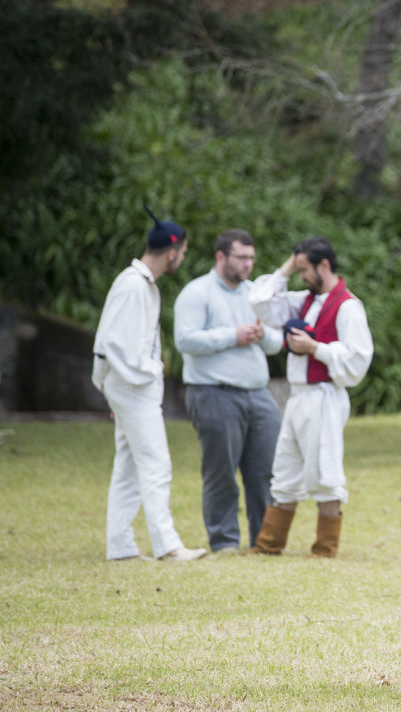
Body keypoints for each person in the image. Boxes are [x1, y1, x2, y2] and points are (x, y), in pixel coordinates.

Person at [91, 206, 207, 562]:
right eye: (183, 253)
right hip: (134, 387)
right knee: (156, 464)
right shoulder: (132, 286)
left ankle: (121, 546)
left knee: (128, 466)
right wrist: (148, 371)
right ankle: (167, 545)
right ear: (172, 251)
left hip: (131, 388)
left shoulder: (141, 285)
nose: (182, 260)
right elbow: (111, 344)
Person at [247, 236, 374, 558]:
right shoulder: (304, 299)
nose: (300, 276)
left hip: (324, 397)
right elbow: (259, 301)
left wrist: (316, 348)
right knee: (285, 467)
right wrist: (289, 265)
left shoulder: (347, 306)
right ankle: (268, 544)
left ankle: (325, 548)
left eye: (304, 269)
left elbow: (359, 359)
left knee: (324, 471)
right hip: (298, 396)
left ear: (325, 265)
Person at [174, 229, 283, 554]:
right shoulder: (197, 293)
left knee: (264, 471)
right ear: (221, 256)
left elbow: (278, 343)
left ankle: (263, 542)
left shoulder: (255, 296)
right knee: (221, 471)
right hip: (213, 393)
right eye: (242, 257)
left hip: (258, 395)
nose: (248, 264)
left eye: (252, 258)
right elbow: (185, 340)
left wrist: (263, 335)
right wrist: (231, 335)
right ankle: (225, 542)